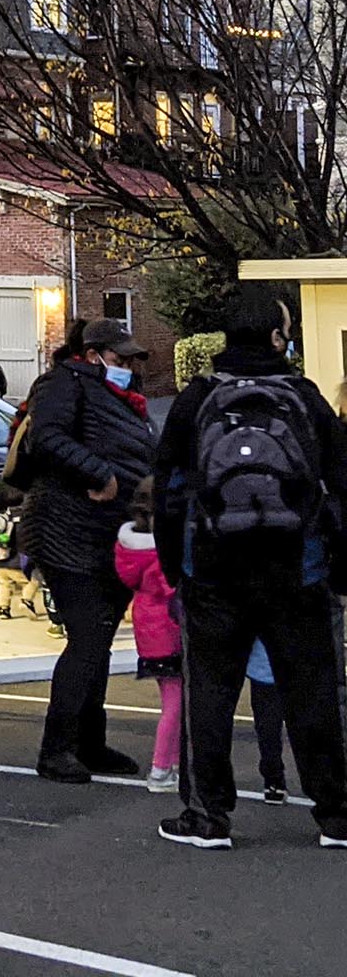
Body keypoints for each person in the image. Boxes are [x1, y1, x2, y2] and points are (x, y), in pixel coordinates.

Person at [153, 287, 347, 848]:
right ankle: (335, 814)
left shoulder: (196, 398)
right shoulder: (304, 396)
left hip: (213, 573)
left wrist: (175, 566)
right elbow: (342, 485)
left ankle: (207, 816)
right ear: (275, 336)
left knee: (209, 696)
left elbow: (168, 489)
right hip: (296, 572)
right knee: (312, 693)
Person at [18, 314, 154, 782]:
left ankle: (88, 743)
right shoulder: (63, 384)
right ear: (93, 354)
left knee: (97, 641)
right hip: (67, 531)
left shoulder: (120, 399)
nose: (129, 367)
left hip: (104, 534)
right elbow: (46, 438)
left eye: (132, 360)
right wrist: (100, 473)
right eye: (120, 358)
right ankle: (57, 748)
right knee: (88, 640)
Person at [114, 476, 182, 793]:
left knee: (170, 698)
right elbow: (173, 587)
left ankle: (170, 765)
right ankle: (161, 768)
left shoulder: (130, 547)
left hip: (147, 627)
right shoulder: (164, 551)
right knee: (176, 703)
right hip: (169, 627)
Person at [0, 504, 48, 621]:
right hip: (16, 562)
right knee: (34, 580)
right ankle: (26, 600)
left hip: (0, 561)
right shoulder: (25, 518)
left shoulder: (2, 518)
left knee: (5, 584)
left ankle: (4, 609)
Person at [248, 640, 290, 805]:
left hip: (263, 669)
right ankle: (274, 781)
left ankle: (273, 782)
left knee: (267, 727)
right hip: (282, 666)